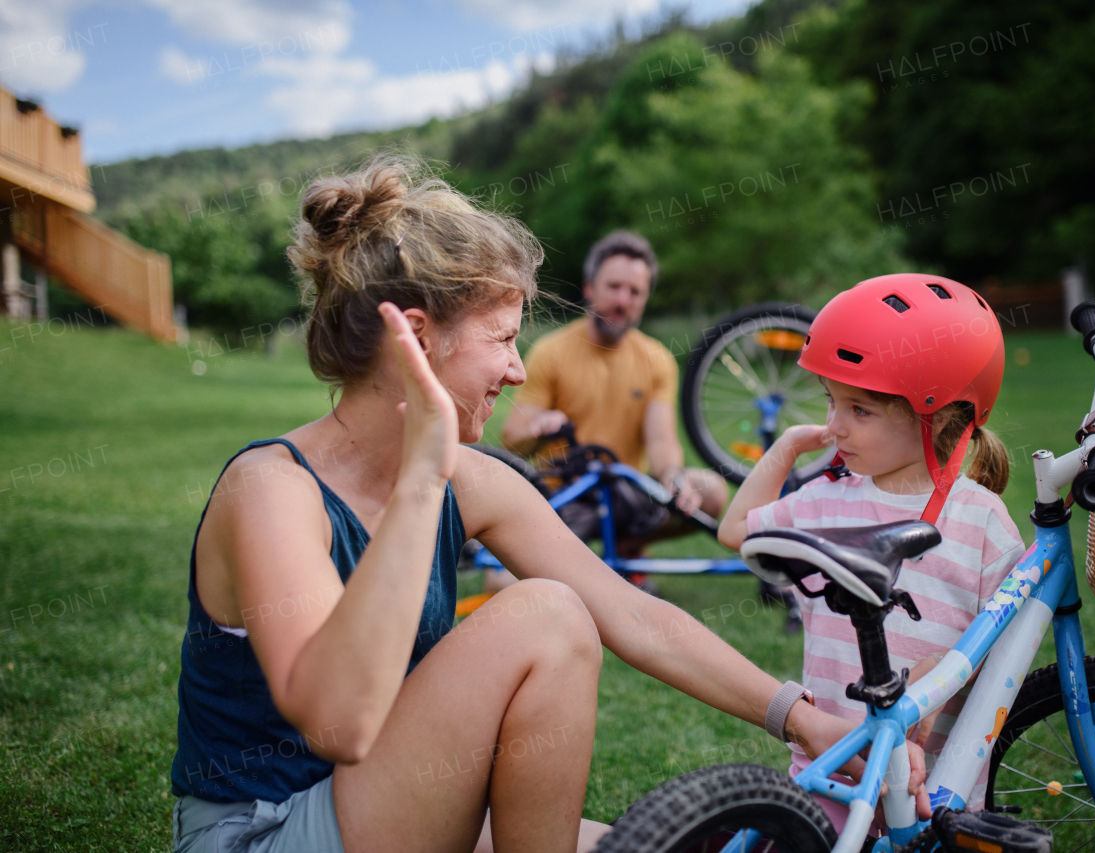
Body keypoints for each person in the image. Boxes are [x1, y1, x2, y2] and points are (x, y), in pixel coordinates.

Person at [169, 157, 931, 853]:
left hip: (374, 806)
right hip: (262, 831)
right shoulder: (272, 490)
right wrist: (422, 479)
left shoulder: (474, 480)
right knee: (546, 614)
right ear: (421, 340)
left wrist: (806, 718)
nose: (517, 368)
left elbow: (634, 615)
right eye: (502, 338)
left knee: (668, 846)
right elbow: (338, 719)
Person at [719, 273, 1026, 837]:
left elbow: (1007, 639)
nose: (834, 425)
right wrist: (786, 447)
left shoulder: (982, 519)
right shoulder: (826, 500)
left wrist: (934, 680)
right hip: (832, 769)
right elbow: (735, 529)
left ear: (937, 416)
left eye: (859, 410)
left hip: (940, 784)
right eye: (832, 403)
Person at [499, 232, 727, 590]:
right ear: (590, 288)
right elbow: (511, 438)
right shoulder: (551, 351)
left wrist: (673, 478)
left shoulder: (657, 360)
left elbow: (662, 441)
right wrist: (539, 425)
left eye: (635, 292)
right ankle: (596, 567)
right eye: (614, 287)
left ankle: (626, 550)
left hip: (626, 494)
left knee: (710, 491)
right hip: (565, 498)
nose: (623, 300)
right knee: (500, 582)